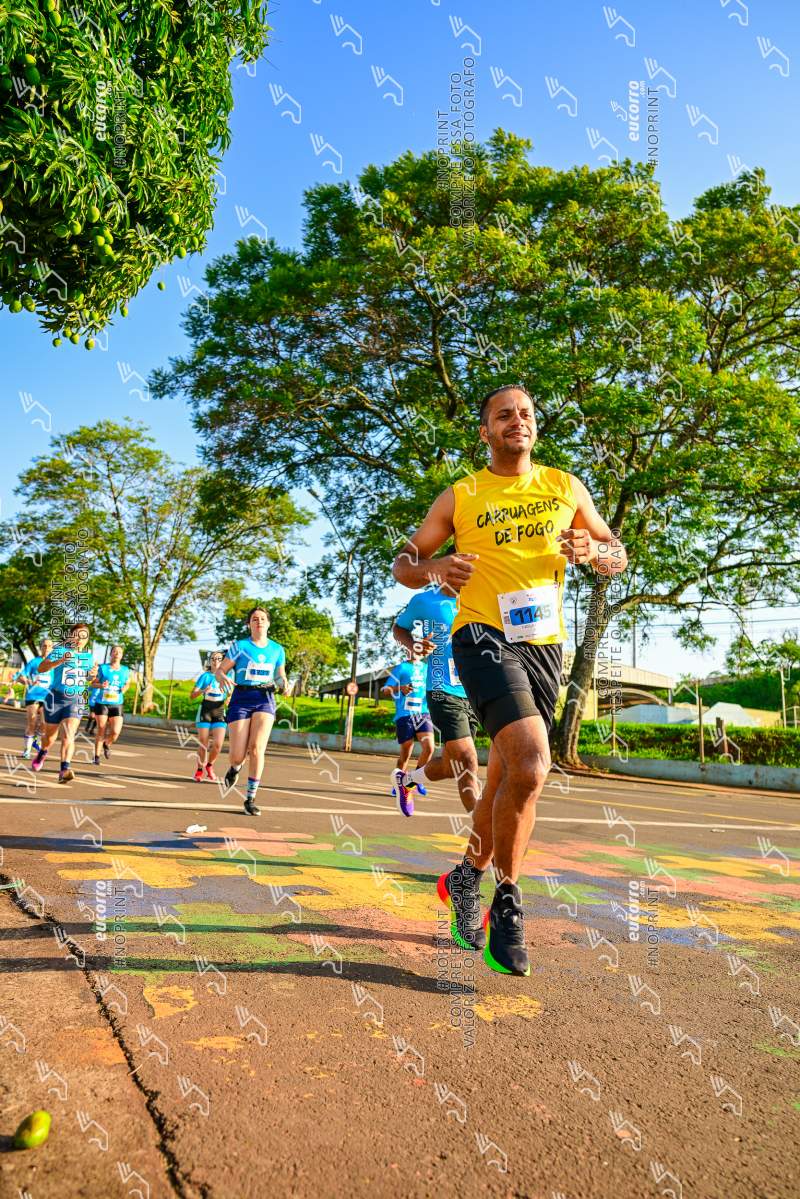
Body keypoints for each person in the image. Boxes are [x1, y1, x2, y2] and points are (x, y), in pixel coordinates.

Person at [392, 384, 627, 975]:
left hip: (543, 646)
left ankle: (464, 877)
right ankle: (509, 904)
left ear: (535, 426)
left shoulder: (565, 486)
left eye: (525, 413)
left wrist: (595, 554)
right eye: (504, 415)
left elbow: (616, 554)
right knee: (532, 763)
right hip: (481, 637)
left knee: (505, 782)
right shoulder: (462, 494)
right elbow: (404, 562)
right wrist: (435, 568)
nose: (516, 421)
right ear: (486, 431)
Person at [391, 586, 481, 821]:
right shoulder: (425, 601)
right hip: (442, 690)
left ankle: (407, 780)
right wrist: (415, 646)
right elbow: (399, 628)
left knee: (452, 766)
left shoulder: (482, 595)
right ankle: (485, 833)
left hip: (473, 692)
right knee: (468, 761)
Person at [214, 607, 287, 816]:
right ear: (249, 624)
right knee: (237, 756)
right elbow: (221, 670)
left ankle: (250, 798)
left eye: (263, 618)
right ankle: (235, 768)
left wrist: (284, 683)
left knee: (256, 748)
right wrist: (222, 676)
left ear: (268, 623)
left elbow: (279, 675)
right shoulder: (240, 646)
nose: (259, 621)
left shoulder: (277, 649)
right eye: (255, 619)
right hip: (241, 699)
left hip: (265, 698)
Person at [31, 622, 98, 783]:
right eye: (77, 635)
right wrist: (60, 660)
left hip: (76, 699)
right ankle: (42, 752)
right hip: (55, 697)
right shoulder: (60, 651)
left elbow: (88, 679)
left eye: (84, 636)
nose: (80, 639)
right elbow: (41, 668)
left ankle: (64, 770)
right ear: (70, 636)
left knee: (69, 734)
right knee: (50, 737)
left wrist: (92, 675)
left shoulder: (88, 658)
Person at [380, 650, 434, 816]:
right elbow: (385, 690)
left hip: (423, 714)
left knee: (429, 748)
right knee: (406, 752)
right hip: (405, 715)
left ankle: (416, 779)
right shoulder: (401, 668)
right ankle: (398, 783)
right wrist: (400, 688)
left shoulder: (427, 668)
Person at [190, 650, 232, 782]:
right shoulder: (205, 676)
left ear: (223, 661)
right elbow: (192, 695)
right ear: (210, 661)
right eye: (213, 658)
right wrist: (203, 690)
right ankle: (199, 769)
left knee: (218, 744)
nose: (215, 661)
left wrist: (228, 698)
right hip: (205, 710)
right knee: (203, 743)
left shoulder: (227, 676)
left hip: (219, 710)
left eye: (219, 658)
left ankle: (209, 766)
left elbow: (231, 694)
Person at [91, 645, 133, 764]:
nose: (117, 653)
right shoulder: (103, 668)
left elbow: (127, 683)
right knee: (101, 730)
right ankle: (96, 757)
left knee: (115, 732)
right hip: (102, 703)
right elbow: (93, 683)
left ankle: (107, 743)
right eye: (115, 651)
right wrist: (101, 685)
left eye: (119, 652)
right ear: (111, 654)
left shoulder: (125, 670)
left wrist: (124, 688)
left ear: (122, 655)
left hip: (117, 704)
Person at [13, 637, 53, 758]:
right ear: (41, 648)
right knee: (32, 722)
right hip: (33, 695)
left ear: (52, 648)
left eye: (49, 646)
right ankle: (27, 750)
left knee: (45, 724)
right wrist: (28, 681)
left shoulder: (55, 664)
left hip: (48, 697)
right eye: (44, 646)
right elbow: (20, 676)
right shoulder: (34, 662)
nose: (47, 648)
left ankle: (37, 741)